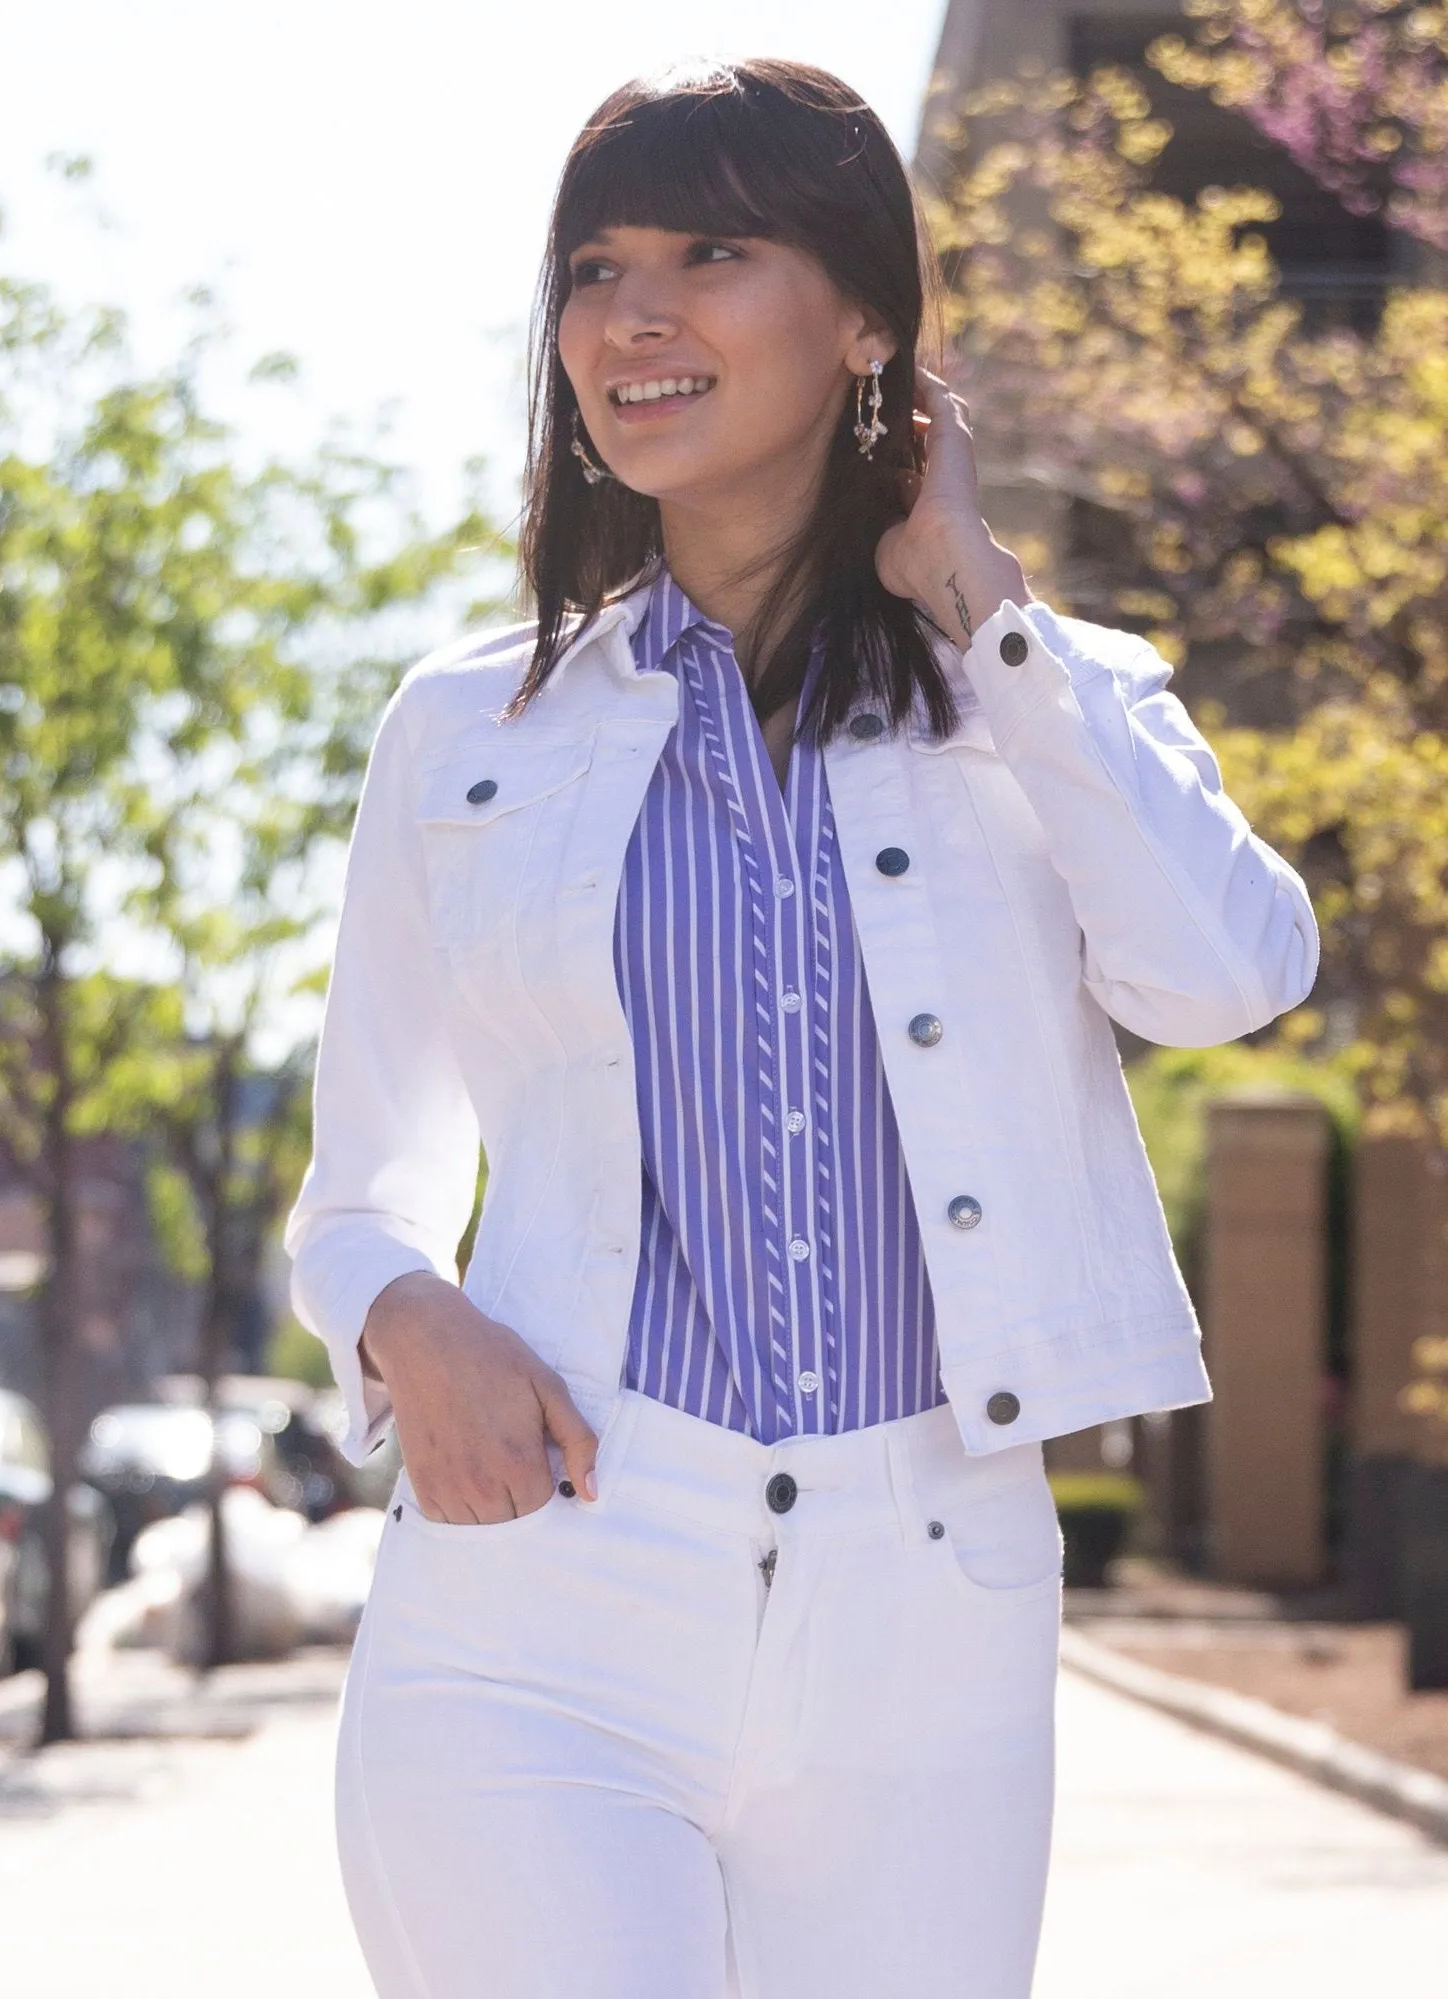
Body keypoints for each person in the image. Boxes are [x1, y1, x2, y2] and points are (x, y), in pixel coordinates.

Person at [285, 58, 1318, 1999]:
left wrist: (983, 606)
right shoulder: (463, 736)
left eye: (714, 250)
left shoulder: (1039, 693)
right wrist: (407, 1321)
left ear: (865, 322)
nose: (633, 314)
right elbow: (360, 1200)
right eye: (595, 266)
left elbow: (1230, 973)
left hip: (929, 1620)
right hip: (546, 1600)